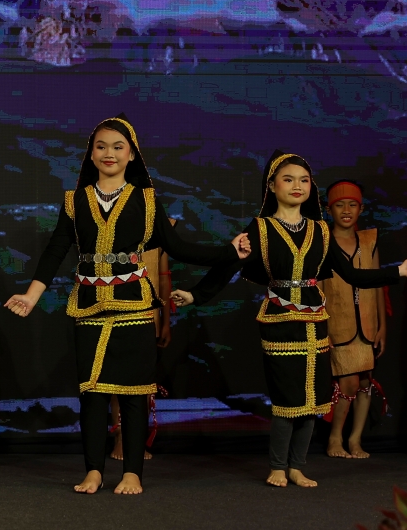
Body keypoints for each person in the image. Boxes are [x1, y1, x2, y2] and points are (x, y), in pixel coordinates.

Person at [4, 115, 249, 495]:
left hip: (135, 306)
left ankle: (132, 472)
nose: (109, 153)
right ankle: (94, 471)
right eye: (100, 146)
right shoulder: (75, 201)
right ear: (90, 154)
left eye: (118, 147)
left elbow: (180, 248)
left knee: (134, 392)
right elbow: (56, 249)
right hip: (87, 307)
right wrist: (32, 294)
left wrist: (227, 252)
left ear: (132, 154)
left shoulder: (146, 200)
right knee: (93, 392)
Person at [172, 152, 406, 488]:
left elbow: (353, 274)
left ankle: (297, 465)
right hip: (280, 318)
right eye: (288, 179)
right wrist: (196, 295)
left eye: (304, 180)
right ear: (272, 185)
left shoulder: (320, 231)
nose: (297, 186)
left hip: (315, 318)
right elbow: (230, 265)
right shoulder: (261, 228)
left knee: (313, 397)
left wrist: (396, 272)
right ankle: (278, 466)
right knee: (287, 395)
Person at [321, 180, 390, 459]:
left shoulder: (369, 242)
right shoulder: (324, 243)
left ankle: (356, 439)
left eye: (352, 205)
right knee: (347, 383)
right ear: (330, 209)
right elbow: (321, 289)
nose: (346, 210)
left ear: (360, 208)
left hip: (368, 324)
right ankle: (335, 438)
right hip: (339, 324)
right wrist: (321, 328)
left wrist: (382, 326)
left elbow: (378, 285)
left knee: (364, 382)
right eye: (340, 205)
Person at [110, 235, 173, 461]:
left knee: (144, 382)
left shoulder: (161, 228)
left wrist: (165, 322)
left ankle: (135, 439)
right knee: (116, 377)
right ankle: (119, 436)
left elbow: (164, 278)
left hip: (149, 312)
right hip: (115, 306)